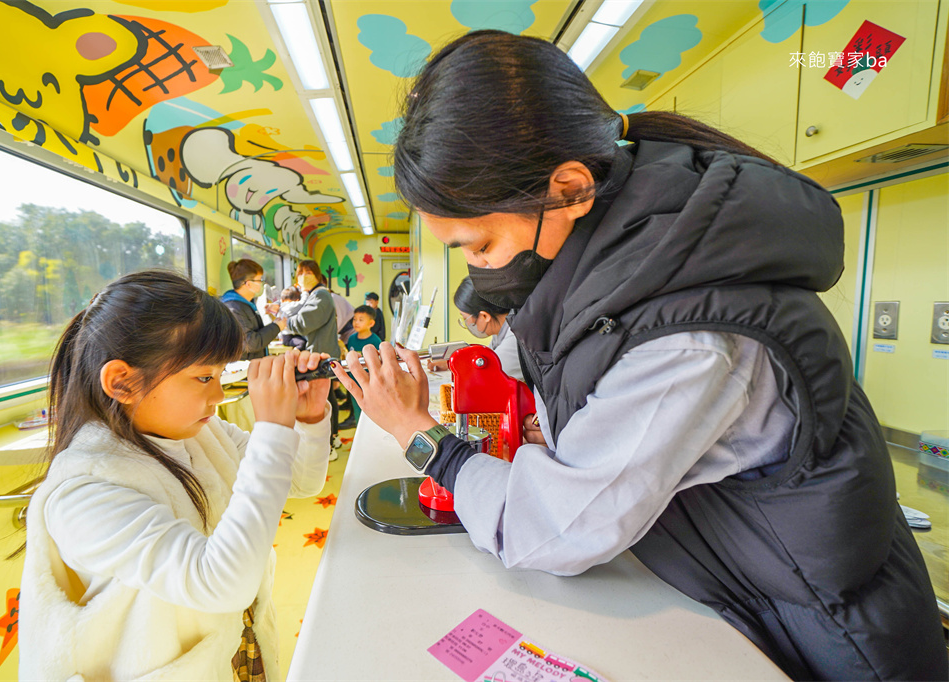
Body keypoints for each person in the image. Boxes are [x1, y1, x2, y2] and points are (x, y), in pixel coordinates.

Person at [333, 30, 946, 681]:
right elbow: (547, 348)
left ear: (568, 187)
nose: (483, 267)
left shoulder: (691, 331)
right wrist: (453, 361)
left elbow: (556, 531)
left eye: (480, 245)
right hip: (732, 589)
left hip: (823, 639)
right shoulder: (621, 244)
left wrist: (420, 435)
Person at [18, 270, 332, 681]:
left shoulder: (202, 433)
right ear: (122, 381)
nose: (219, 395)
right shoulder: (83, 491)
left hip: (235, 650)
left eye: (220, 375)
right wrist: (272, 430)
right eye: (204, 377)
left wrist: (305, 419)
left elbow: (300, 483)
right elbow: (219, 584)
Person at [285, 259, 342, 448]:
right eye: (301, 273)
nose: (304, 277)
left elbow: (304, 323)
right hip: (318, 352)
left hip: (320, 354)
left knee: (325, 399)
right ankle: (332, 438)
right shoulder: (313, 295)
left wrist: (284, 321)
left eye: (308, 273)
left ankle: (331, 440)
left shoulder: (321, 296)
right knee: (327, 398)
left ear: (317, 275)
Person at [428, 277, 523, 381]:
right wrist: (449, 363)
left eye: (465, 318)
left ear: (484, 316)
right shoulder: (501, 329)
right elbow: (484, 359)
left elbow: (485, 374)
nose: (466, 323)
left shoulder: (516, 335)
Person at [221, 258, 284, 360]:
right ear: (249, 284)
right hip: (245, 368)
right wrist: (277, 326)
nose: (262, 284)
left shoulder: (245, 304)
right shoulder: (233, 308)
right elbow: (250, 343)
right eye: (259, 280)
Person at [338, 305, 382, 429]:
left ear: (371, 323)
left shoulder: (375, 341)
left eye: (361, 319)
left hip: (369, 382)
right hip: (354, 382)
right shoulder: (351, 339)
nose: (356, 322)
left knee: (370, 413)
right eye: (355, 319)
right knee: (357, 410)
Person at [278, 286, 308, 351]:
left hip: (287, 336)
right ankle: (293, 356)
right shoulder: (290, 306)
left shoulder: (281, 307)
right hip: (289, 337)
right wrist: (305, 292)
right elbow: (303, 302)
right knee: (302, 343)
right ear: (296, 300)